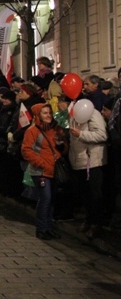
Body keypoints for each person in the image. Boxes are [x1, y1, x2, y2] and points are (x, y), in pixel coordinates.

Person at [21, 103, 67, 240]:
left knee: (50, 199)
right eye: (44, 113)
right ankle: (41, 229)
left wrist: (62, 146)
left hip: (53, 170)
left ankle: (48, 228)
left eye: (49, 112)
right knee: (45, 198)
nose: (48, 115)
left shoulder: (55, 130)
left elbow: (63, 149)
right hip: (40, 171)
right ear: (38, 115)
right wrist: (41, 164)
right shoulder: (33, 131)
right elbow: (26, 150)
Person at [69, 99, 108, 239]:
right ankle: (88, 220)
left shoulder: (93, 114)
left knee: (94, 194)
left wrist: (81, 134)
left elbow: (102, 135)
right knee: (85, 194)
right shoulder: (74, 115)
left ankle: (96, 224)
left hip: (92, 161)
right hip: (79, 160)